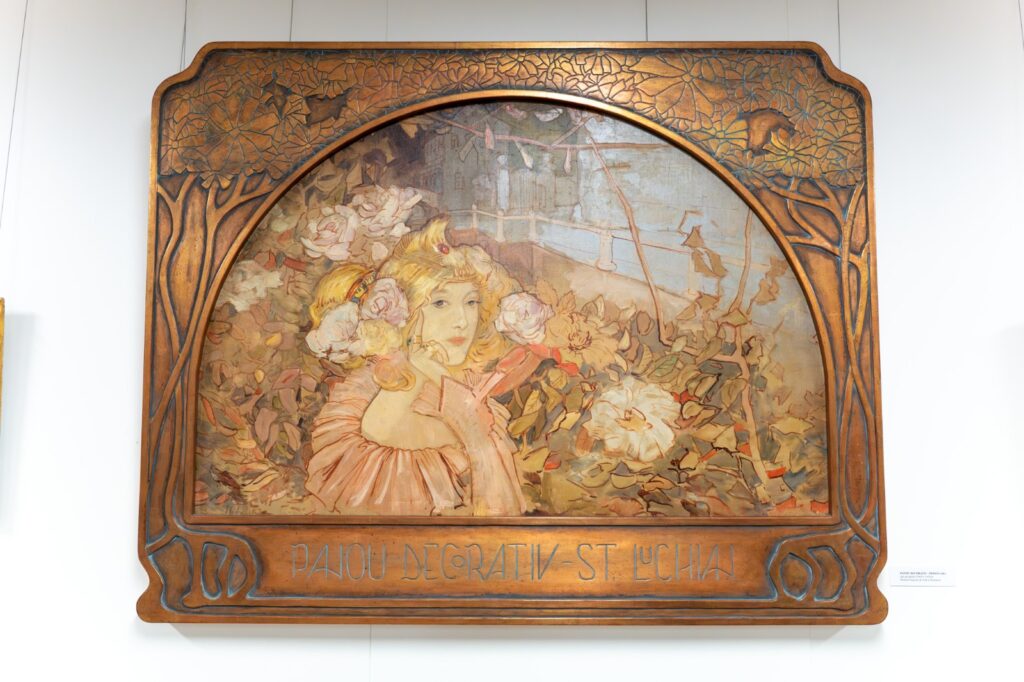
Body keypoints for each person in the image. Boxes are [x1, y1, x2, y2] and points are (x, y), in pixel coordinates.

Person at [303, 218, 543, 516]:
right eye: (440, 303)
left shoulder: (462, 382)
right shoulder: (390, 387)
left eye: (471, 302)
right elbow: (381, 431)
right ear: (408, 313)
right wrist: (469, 425)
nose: (462, 321)